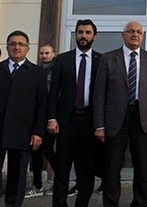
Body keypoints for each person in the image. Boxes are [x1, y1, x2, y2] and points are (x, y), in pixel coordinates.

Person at [0, 30, 47, 207]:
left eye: (21, 44)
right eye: (13, 44)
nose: (16, 47)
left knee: (18, 177)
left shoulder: (37, 73)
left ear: (28, 48)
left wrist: (38, 132)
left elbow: (42, 104)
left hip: (23, 132)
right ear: (6, 47)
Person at [93, 21, 147, 207]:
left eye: (138, 32)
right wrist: (99, 125)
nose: (135, 34)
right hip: (115, 120)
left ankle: (141, 203)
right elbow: (99, 94)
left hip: (142, 117)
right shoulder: (108, 58)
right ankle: (111, 203)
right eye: (130, 31)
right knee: (112, 167)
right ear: (123, 35)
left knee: (142, 168)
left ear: (143, 36)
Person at [47, 20, 102, 207]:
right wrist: (52, 118)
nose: (83, 36)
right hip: (66, 122)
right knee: (62, 169)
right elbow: (53, 92)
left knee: (87, 170)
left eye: (88, 32)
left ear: (94, 36)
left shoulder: (101, 60)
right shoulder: (62, 60)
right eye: (80, 32)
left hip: (90, 122)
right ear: (75, 34)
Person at [24, 44, 58, 198]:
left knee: (48, 149)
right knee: (35, 150)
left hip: (52, 116)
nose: (44, 56)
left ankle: (60, 181)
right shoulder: (36, 70)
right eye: (42, 53)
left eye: (47, 53)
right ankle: (37, 185)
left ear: (53, 54)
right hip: (36, 116)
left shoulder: (57, 70)